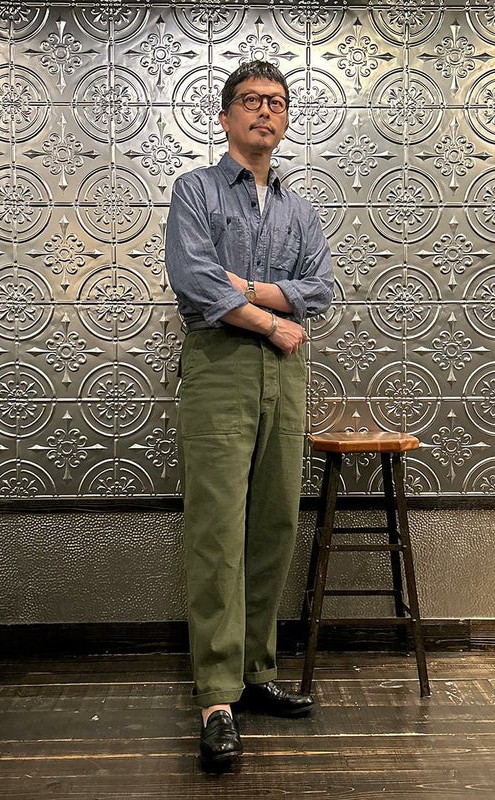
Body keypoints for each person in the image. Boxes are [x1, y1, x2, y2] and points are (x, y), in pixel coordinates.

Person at [164, 60, 334, 770]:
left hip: (285, 379)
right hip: (220, 367)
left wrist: (251, 290)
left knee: (272, 524)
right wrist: (271, 320)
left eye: (277, 102)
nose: (266, 111)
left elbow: (320, 290)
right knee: (216, 530)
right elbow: (195, 279)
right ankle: (215, 696)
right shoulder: (195, 191)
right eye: (252, 100)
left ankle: (257, 672)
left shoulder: (302, 210)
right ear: (226, 116)